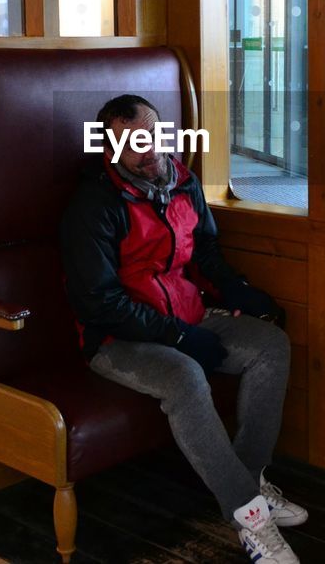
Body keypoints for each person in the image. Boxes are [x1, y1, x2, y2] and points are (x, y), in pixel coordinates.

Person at [61, 94, 307, 564]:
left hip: (186, 316)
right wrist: (178, 337)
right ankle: (249, 518)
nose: (148, 149)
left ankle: (249, 479)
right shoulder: (94, 205)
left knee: (270, 346)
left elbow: (206, 253)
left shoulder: (182, 181)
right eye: (132, 142)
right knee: (185, 376)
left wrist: (240, 293)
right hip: (118, 339)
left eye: (153, 134)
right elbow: (99, 304)